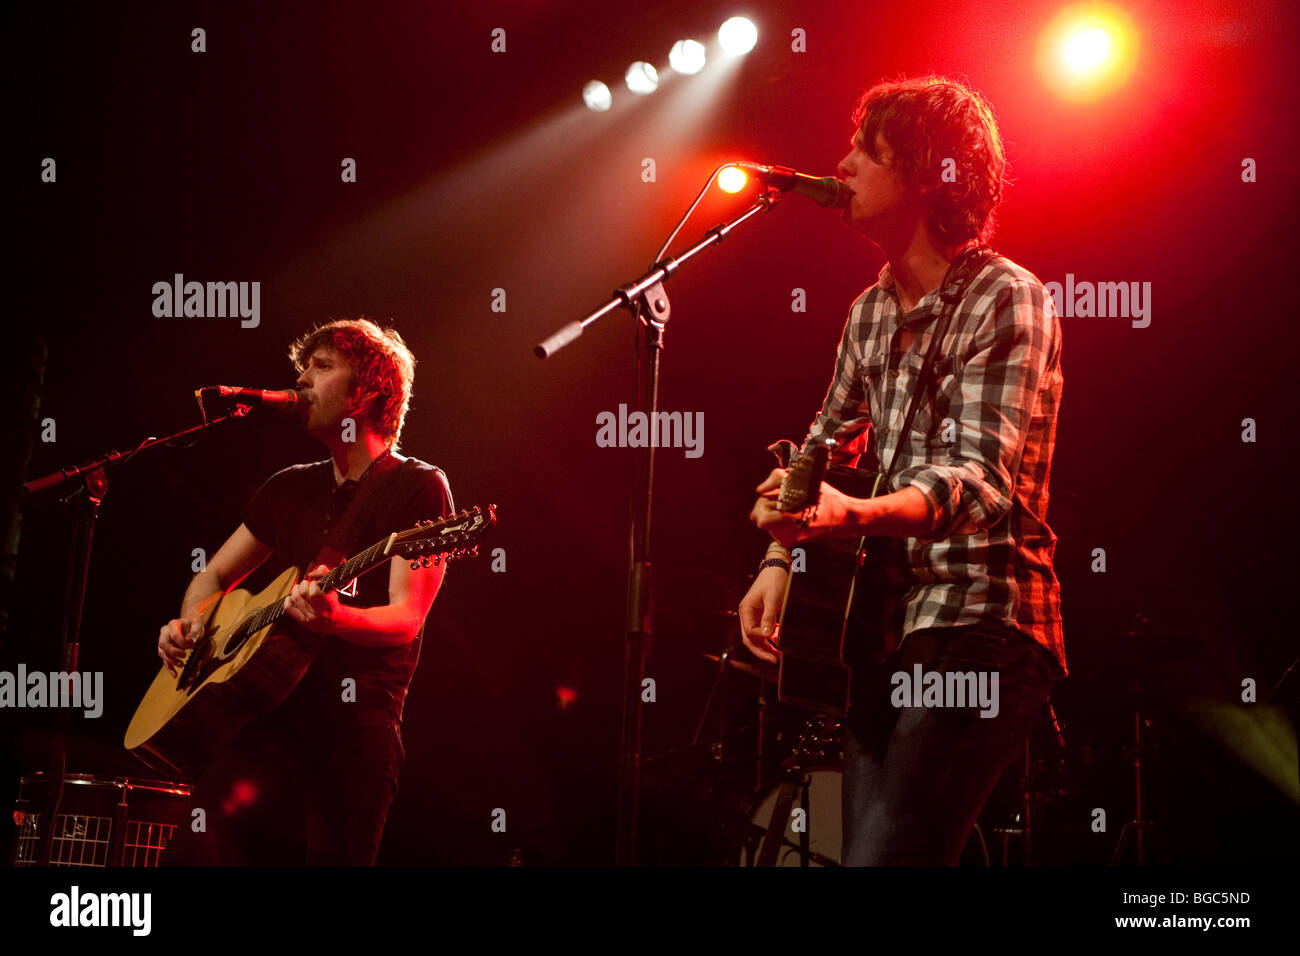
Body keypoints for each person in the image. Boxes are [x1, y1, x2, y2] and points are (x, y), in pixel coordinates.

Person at [739, 75, 1065, 866]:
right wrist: (780, 551)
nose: (841, 165)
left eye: (865, 151)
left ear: (925, 172)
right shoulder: (870, 311)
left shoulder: (1007, 297)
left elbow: (980, 483)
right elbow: (819, 448)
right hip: (887, 630)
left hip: (985, 622)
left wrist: (847, 514)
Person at [158, 317, 453, 865]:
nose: (301, 381)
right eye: (304, 366)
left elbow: (407, 616)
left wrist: (334, 620)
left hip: (352, 733)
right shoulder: (289, 485)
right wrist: (189, 623)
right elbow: (211, 576)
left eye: (320, 368)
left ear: (363, 393)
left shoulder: (419, 487)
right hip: (262, 720)